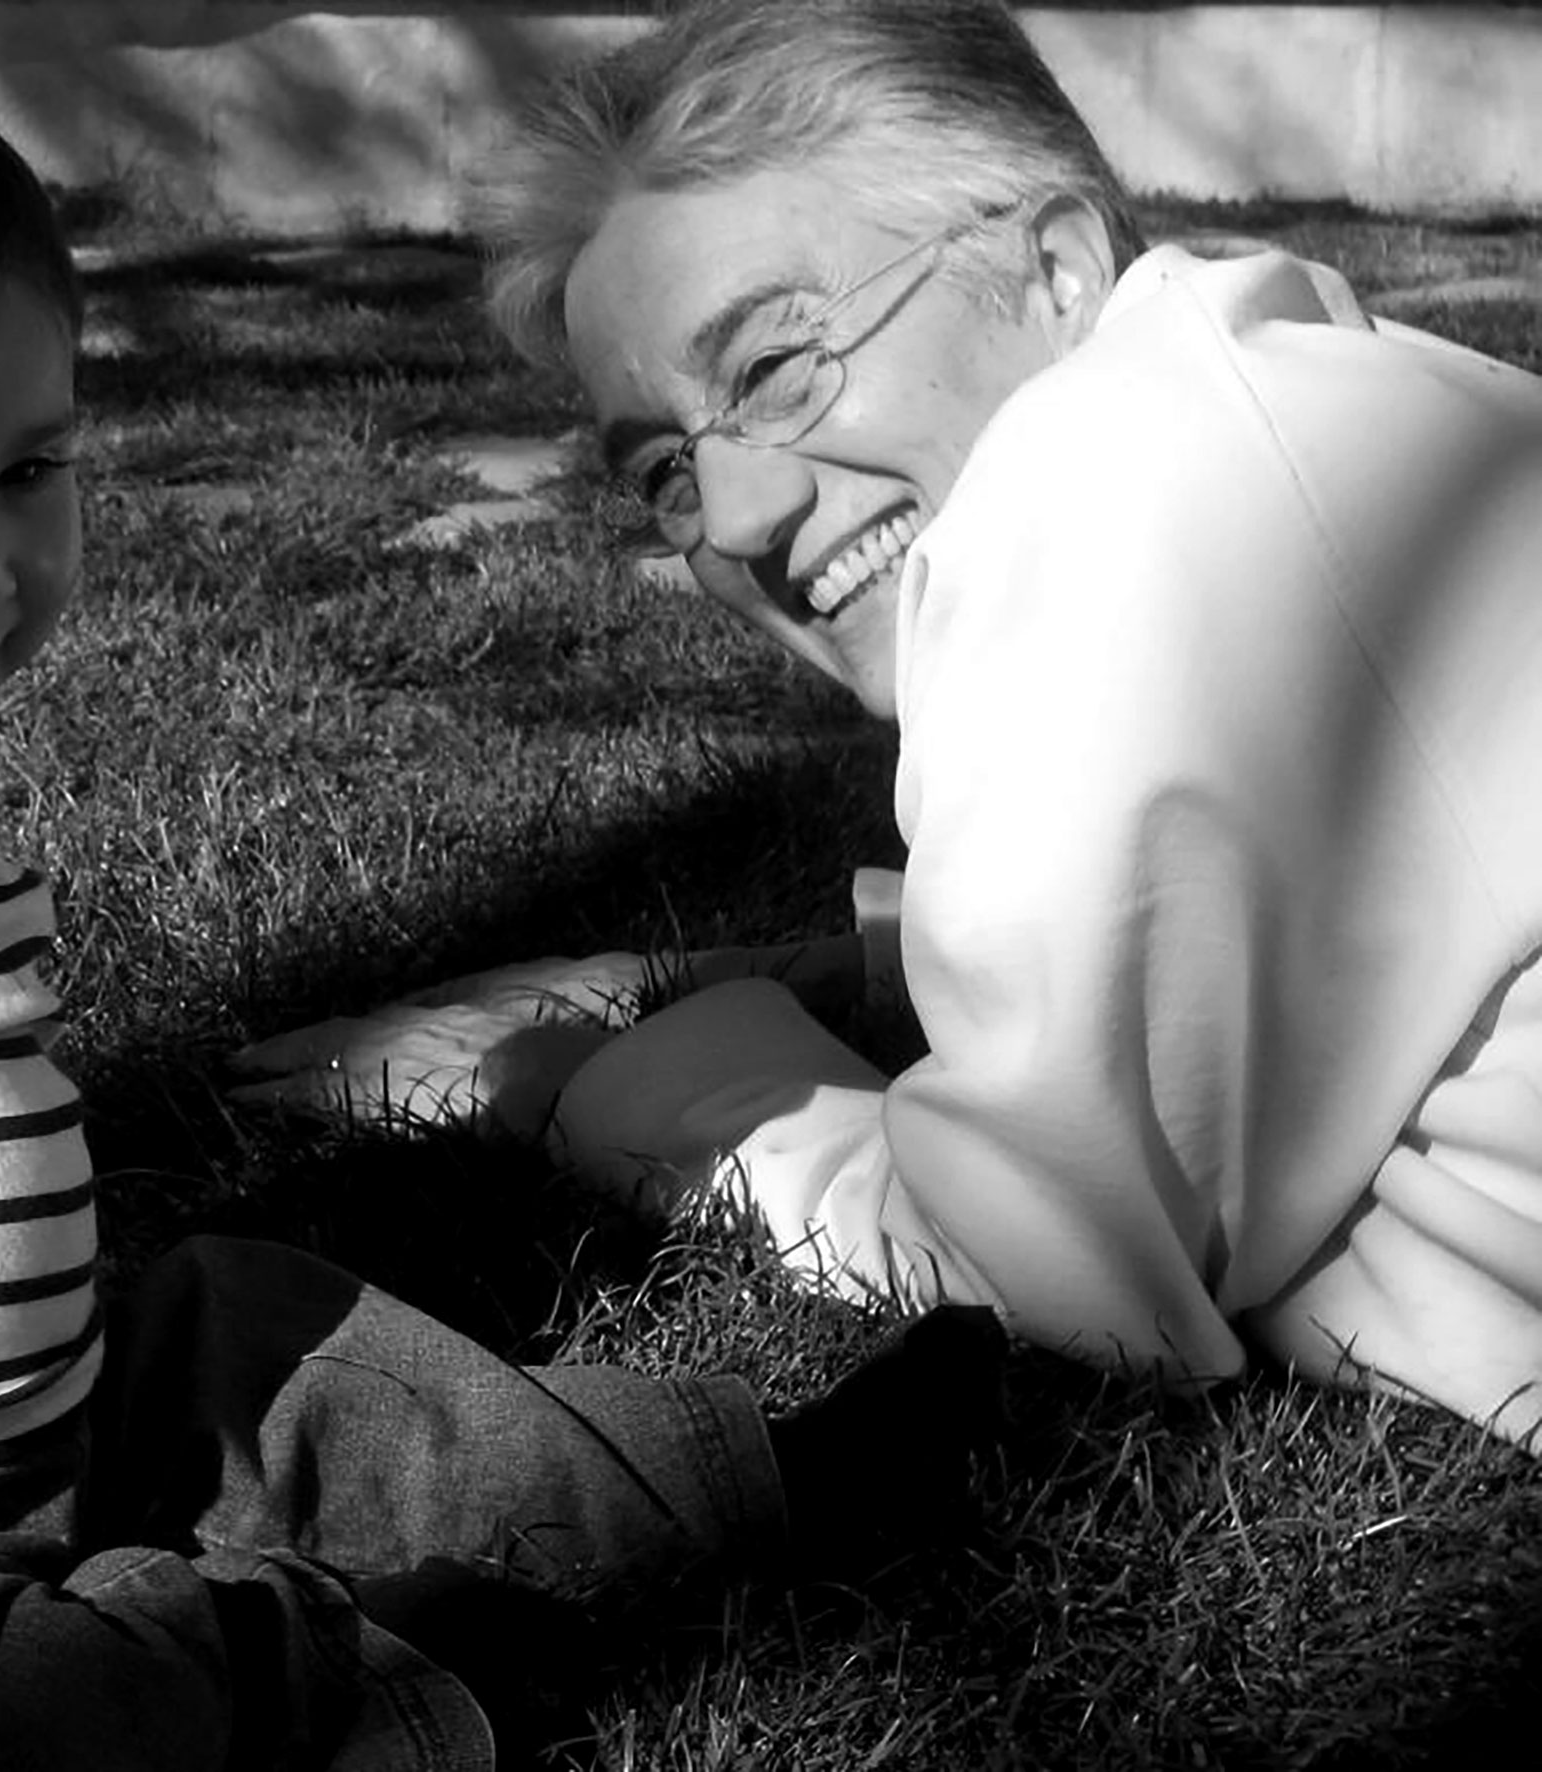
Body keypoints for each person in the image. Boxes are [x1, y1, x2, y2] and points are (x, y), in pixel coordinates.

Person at [0, 9, 1010, 1770]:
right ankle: (357, 1667)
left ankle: (724, 1477)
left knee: (266, 1343)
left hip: (34, 1445)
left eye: (25, 473)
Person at [232, 0, 1542, 1453]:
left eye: (775, 365)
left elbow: (1055, 1272)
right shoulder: (1293, 404)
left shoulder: (1115, 465)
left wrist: (575, 1085)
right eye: (667, 469)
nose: (737, 516)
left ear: (1055, 267)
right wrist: (777, 968)